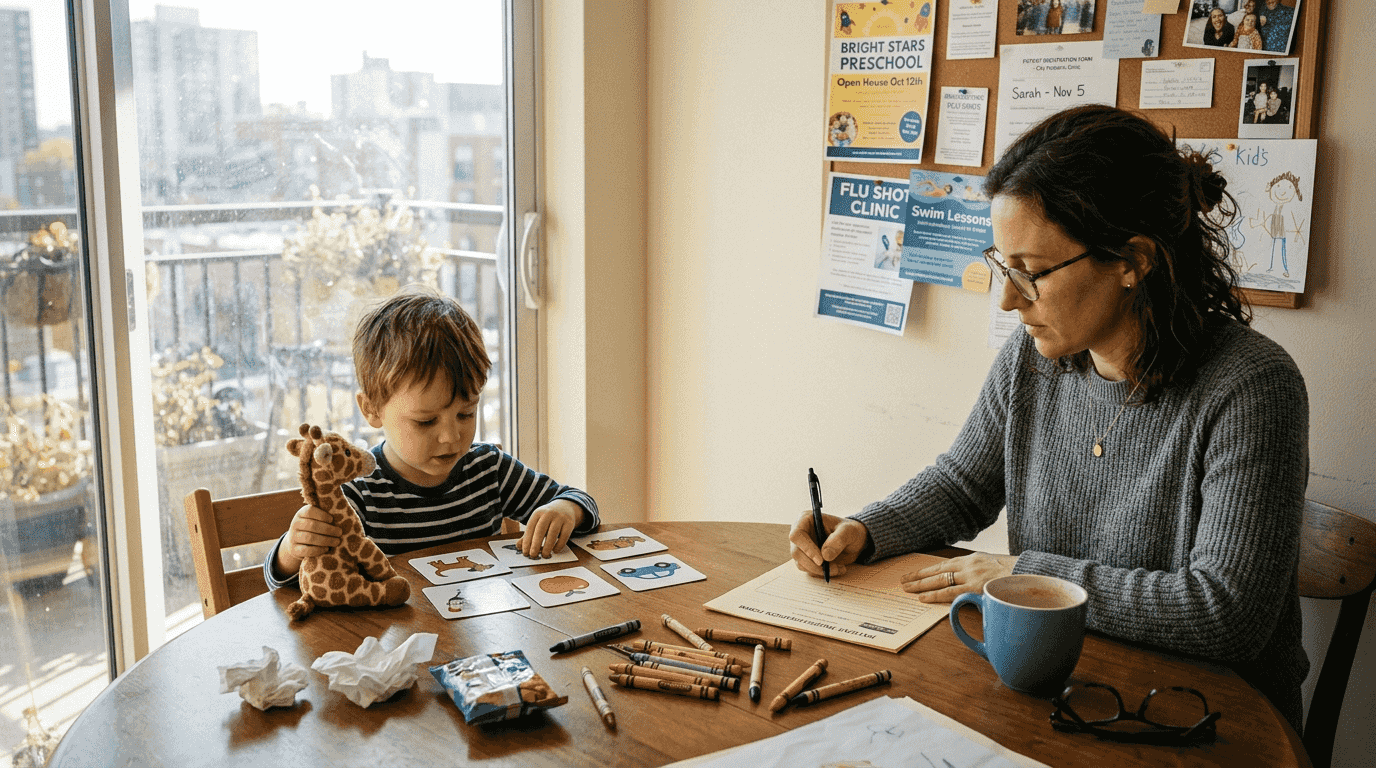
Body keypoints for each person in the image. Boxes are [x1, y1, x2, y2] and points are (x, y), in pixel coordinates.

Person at [789, 105, 1310, 731]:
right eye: (1004, 265)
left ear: (1132, 260)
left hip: (1206, 727)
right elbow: (963, 485)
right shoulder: (1034, 360)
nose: (1008, 298)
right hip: (1066, 696)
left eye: (1031, 272)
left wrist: (1026, 574)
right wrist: (868, 531)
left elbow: (1224, 613)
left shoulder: (1252, 387)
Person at [265, 291, 601, 588]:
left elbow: (580, 501)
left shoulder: (489, 469)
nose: (452, 436)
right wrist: (292, 551)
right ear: (372, 409)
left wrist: (566, 509)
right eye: (426, 421)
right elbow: (297, 578)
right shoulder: (359, 491)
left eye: (466, 414)